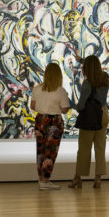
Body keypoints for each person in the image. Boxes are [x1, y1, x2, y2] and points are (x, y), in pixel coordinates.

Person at [69, 54, 109, 189]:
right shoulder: (105, 78)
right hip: (102, 114)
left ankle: (78, 178)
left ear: (86, 68)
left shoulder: (86, 84)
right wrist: (82, 60)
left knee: (84, 149)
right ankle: (98, 178)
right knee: (100, 147)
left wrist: (75, 106)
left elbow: (81, 105)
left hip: (89, 117)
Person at [30, 62, 70, 190]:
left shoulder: (37, 89)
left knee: (40, 150)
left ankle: (41, 179)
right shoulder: (61, 91)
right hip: (54, 122)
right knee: (51, 151)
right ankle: (45, 181)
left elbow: (33, 106)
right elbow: (64, 110)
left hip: (40, 120)